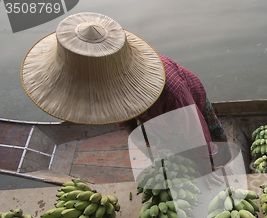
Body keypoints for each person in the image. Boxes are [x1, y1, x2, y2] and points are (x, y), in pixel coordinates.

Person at [21, 11, 227, 159]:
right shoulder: (106, 90)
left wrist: (205, 164)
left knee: (207, 138)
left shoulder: (172, 92)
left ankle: (220, 159)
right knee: (161, 141)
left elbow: (195, 130)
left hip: (188, 99)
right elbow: (124, 117)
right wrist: (139, 140)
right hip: (151, 111)